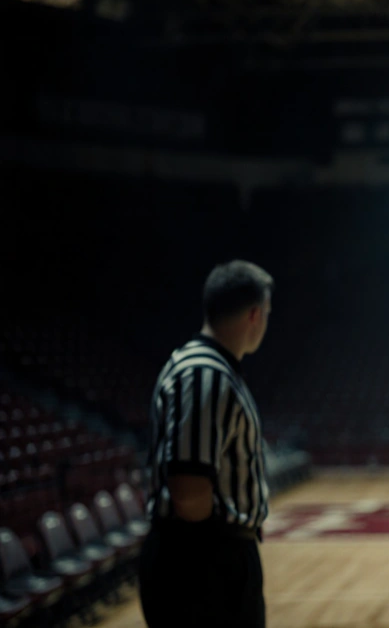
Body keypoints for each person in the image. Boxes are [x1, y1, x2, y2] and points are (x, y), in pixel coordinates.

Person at [139, 260, 274, 628]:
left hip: (209, 557)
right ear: (254, 315)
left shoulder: (209, 366)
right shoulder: (204, 372)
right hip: (202, 562)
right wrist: (216, 554)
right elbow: (187, 489)